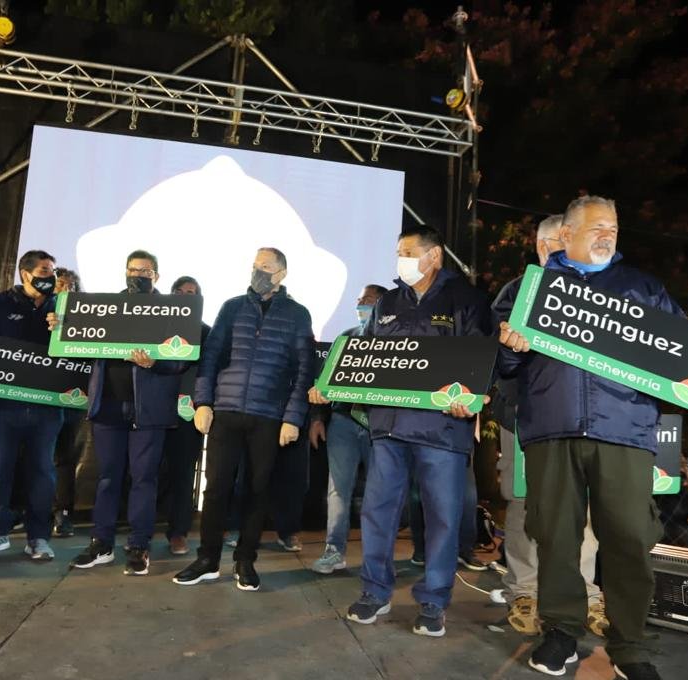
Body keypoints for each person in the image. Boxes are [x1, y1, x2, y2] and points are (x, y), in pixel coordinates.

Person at [493, 195, 688, 680]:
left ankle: (631, 646)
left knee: (631, 540)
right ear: (565, 236)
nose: (606, 236)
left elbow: (686, 350)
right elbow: (503, 367)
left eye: (611, 227)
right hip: (552, 431)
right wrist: (512, 349)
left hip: (626, 430)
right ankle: (562, 631)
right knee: (556, 537)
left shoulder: (642, 288)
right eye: (594, 229)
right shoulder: (530, 289)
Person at [312, 225, 492, 638]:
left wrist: (474, 398)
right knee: (377, 513)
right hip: (389, 428)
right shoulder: (388, 302)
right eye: (398, 252)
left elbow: (480, 362)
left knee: (442, 519)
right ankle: (375, 591)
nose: (401, 259)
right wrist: (331, 384)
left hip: (443, 431)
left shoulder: (467, 300)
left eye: (408, 252)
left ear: (434, 257)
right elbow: (367, 354)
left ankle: (433, 602)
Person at [173, 247, 314, 591]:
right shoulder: (232, 307)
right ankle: (207, 559)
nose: (258, 272)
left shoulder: (298, 314)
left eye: (265, 267)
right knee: (216, 488)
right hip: (226, 411)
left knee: (256, 490)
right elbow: (211, 357)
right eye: (255, 266)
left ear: (282, 274)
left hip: (269, 416)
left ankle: (245, 561)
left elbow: (303, 369)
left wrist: (293, 417)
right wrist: (203, 402)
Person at [492, 216, 607, 637]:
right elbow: (497, 357)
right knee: (525, 504)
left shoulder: (596, 291)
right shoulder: (516, 291)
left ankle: (587, 593)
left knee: (584, 507)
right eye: (560, 240)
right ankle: (524, 590)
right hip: (526, 418)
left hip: (582, 421)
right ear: (541, 246)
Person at [69, 250, 189, 576]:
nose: (139, 274)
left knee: (144, 479)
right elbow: (77, 341)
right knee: (108, 478)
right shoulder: (106, 307)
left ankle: (139, 545)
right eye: (134, 269)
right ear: (125, 272)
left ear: (157, 276)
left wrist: (156, 362)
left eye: (146, 271)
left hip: (148, 410)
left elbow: (183, 358)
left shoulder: (172, 311)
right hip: (108, 406)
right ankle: (102, 543)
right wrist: (60, 325)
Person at [0, 250, 63, 561]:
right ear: (25, 274)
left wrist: (62, 330)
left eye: (52, 270)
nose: (49, 275)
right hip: (3, 405)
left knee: (42, 472)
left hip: (47, 407)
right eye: (44, 269)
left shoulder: (62, 308)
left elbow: (80, 352)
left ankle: (38, 537)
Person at [310, 284, 387, 574]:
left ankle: (377, 557)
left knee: (380, 491)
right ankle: (333, 550)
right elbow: (324, 381)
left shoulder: (394, 339)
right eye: (359, 300)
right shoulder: (344, 338)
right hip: (343, 421)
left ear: (382, 303)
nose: (361, 304)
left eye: (367, 299)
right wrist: (318, 416)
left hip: (377, 426)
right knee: (338, 490)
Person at [159, 275, 210, 555]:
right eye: (180, 291)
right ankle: (139, 531)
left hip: (186, 414)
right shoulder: (155, 324)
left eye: (192, 292)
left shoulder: (206, 332)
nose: (186, 296)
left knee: (182, 475)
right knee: (148, 473)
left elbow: (209, 372)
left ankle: (178, 532)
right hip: (152, 409)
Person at [51, 267, 89, 537]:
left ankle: (62, 512)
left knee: (65, 457)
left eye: (71, 286)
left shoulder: (88, 320)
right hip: (38, 397)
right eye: (60, 285)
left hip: (71, 398)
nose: (66, 290)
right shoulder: (40, 314)